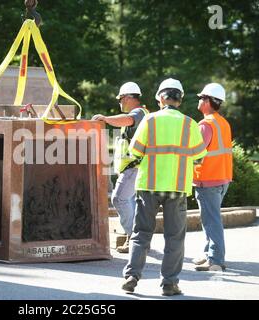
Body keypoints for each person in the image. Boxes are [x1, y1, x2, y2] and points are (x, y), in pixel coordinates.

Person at [121, 78, 207, 296]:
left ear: (161, 97)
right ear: (180, 100)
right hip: (176, 188)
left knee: (141, 234)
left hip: (148, 186)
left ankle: (132, 276)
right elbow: (199, 156)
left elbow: (135, 151)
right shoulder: (190, 124)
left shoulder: (150, 120)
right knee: (174, 238)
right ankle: (169, 284)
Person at [92, 82, 149, 253]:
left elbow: (128, 120)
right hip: (132, 167)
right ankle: (137, 239)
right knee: (130, 203)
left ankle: (134, 238)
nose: (119, 102)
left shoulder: (139, 113)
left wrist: (106, 119)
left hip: (135, 167)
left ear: (130, 97)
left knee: (119, 199)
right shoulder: (137, 114)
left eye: (121, 98)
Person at [192, 83, 232, 271]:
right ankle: (209, 252)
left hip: (208, 179)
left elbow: (196, 154)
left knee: (211, 219)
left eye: (201, 98)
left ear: (208, 101)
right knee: (210, 217)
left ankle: (215, 260)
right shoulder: (222, 122)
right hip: (222, 178)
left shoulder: (206, 125)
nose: (199, 101)